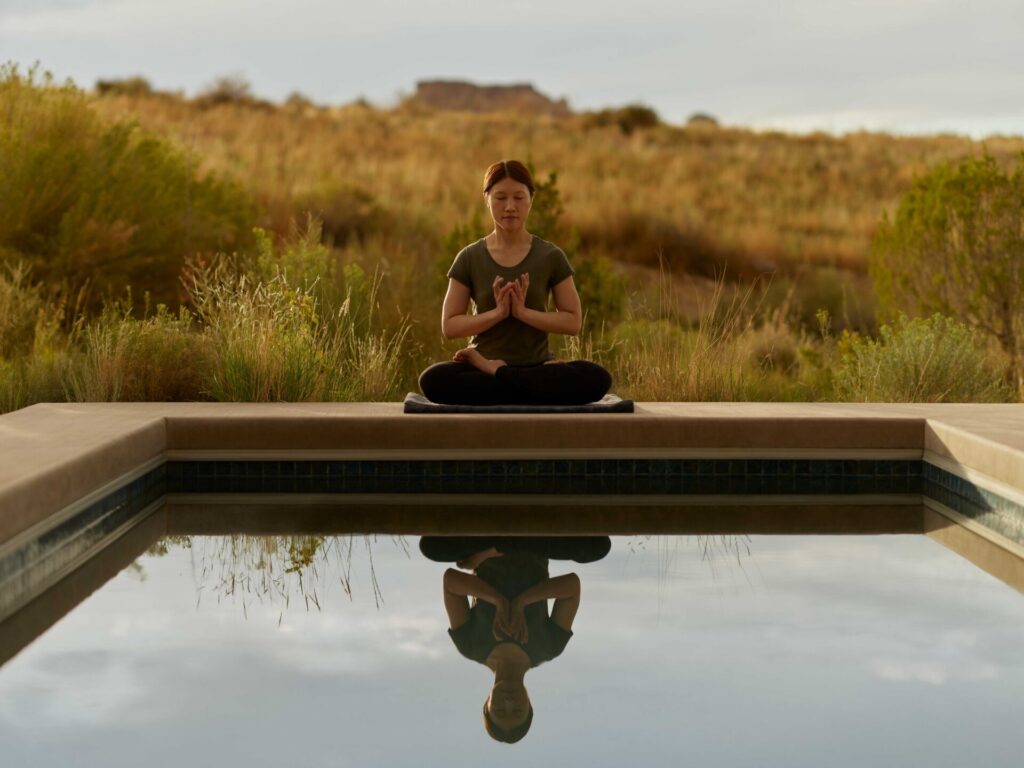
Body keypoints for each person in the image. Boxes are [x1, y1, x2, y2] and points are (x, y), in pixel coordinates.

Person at [418, 160, 613, 406]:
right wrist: (498, 314)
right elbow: (450, 326)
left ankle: (502, 376)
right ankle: (521, 385)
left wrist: (522, 313)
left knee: (597, 378)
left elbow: (573, 321)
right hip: (481, 367)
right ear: (486, 199)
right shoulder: (469, 257)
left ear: (531, 198)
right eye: (500, 198)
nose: (510, 207)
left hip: (536, 367)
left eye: (519, 197)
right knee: (433, 380)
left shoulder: (550, 256)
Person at [420, 536, 611, 743]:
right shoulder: (549, 647)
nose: (509, 702)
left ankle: (501, 544)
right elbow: (572, 586)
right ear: (529, 703)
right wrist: (521, 602)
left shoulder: (470, 646)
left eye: (501, 710)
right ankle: (507, 542)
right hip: (536, 540)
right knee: (597, 547)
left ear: (487, 704)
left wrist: (498, 600)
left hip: (484, 537)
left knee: (431, 548)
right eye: (517, 710)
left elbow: (451, 581)